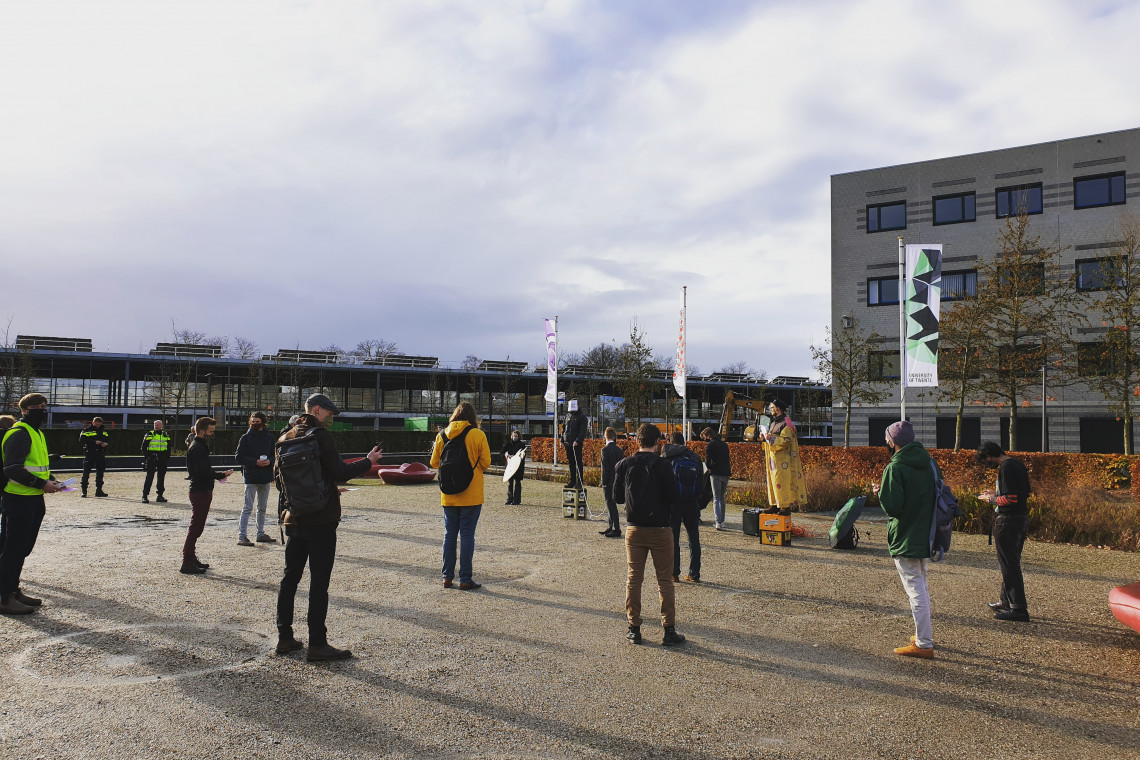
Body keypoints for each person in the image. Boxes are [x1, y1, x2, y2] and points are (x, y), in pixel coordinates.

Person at [276, 394, 381, 661]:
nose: (331, 417)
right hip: (321, 520)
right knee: (318, 583)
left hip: (295, 517)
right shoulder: (319, 436)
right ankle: (317, 644)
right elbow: (340, 471)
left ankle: (285, 637)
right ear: (317, 410)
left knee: (290, 578)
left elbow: (279, 482)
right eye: (329, 413)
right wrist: (368, 460)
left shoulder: (285, 438)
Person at [613, 423, 685, 646]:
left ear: (637, 441)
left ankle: (634, 627)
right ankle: (669, 629)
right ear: (658, 443)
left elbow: (617, 498)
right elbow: (674, 496)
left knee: (634, 579)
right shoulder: (663, 466)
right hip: (661, 529)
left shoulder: (624, 464)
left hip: (634, 528)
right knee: (665, 581)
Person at [872, 420, 938, 659]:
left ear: (892, 441)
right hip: (927, 533)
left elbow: (893, 507)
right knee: (922, 584)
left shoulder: (895, 468)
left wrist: (881, 493)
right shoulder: (930, 463)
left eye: (887, 438)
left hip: (906, 534)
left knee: (915, 590)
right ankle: (923, 634)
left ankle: (923, 643)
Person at [1, 394, 63, 614]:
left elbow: (36, 465)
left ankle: (12, 590)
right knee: (13, 548)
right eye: (36, 407)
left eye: (44, 406)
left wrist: (50, 480)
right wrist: (41, 484)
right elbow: (11, 468)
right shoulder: (19, 433)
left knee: (22, 548)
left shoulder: (35, 432)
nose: (42, 410)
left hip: (32, 497)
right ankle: (4, 597)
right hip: (19, 498)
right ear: (24, 410)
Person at [430, 401, 491, 590]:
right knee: (467, 536)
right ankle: (465, 578)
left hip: (448, 494)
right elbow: (486, 463)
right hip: (471, 494)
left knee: (449, 535)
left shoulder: (442, 435)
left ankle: (447, 577)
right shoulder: (478, 435)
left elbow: (434, 463)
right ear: (473, 417)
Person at [977, 441, 1032, 622]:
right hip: (1021, 519)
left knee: (1009, 565)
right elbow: (1024, 494)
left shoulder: (1006, 468)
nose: (987, 465)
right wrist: (996, 491)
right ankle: (1006, 600)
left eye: (985, 461)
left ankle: (1018, 608)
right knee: (1010, 562)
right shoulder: (1017, 464)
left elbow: (1011, 498)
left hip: (1008, 521)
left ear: (989, 456)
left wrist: (991, 499)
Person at [181, 417, 233, 575]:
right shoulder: (198, 447)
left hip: (201, 489)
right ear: (202, 431)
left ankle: (191, 557)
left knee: (197, 526)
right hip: (200, 490)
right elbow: (202, 472)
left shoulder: (198, 446)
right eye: (211, 432)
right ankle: (187, 561)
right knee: (196, 526)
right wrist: (221, 474)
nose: (212, 435)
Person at [663, 432, 703, 583]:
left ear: (671, 443)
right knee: (694, 539)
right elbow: (702, 482)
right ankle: (694, 574)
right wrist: (698, 499)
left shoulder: (667, 457)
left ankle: (674, 573)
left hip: (674, 503)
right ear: (684, 442)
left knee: (674, 539)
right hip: (692, 502)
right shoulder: (695, 457)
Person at [235, 412, 276, 546]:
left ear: (263, 422)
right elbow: (239, 457)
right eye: (253, 421)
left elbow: (275, 455)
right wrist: (255, 462)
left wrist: (269, 461)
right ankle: (242, 536)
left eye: (257, 421)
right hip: (251, 475)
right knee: (248, 507)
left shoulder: (269, 437)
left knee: (262, 507)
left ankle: (260, 533)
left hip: (265, 475)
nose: (255, 424)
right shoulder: (245, 438)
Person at [761, 398, 806, 514]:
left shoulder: (786, 422)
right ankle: (775, 504)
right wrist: (764, 437)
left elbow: (786, 441)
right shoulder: (774, 422)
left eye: (772, 408)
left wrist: (771, 438)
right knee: (773, 481)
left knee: (783, 481)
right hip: (773, 459)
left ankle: (785, 506)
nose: (770, 410)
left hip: (783, 460)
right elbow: (771, 438)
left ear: (778, 409)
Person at [701, 427, 731, 530]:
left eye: (704, 437)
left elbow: (708, 460)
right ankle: (722, 521)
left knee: (716, 497)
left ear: (708, 436)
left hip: (716, 473)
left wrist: (708, 469)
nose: (705, 439)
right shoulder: (724, 444)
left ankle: (718, 522)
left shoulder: (710, 445)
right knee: (722, 497)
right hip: (726, 473)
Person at [598, 427, 624, 538]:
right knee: (611, 505)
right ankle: (611, 525)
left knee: (610, 505)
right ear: (614, 437)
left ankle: (616, 528)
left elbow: (606, 468)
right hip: (617, 480)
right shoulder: (619, 450)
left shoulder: (604, 450)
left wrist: (603, 481)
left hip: (608, 482)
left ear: (605, 437)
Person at [140, 419, 171, 503]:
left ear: (162, 426)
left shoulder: (165, 434)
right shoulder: (150, 434)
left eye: (158, 425)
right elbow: (143, 447)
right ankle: (145, 496)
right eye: (155, 425)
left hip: (162, 458)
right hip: (152, 458)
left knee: (161, 478)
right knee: (149, 477)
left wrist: (167, 457)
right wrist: (148, 457)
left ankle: (160, 496)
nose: (156, 426)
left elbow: (169, 446)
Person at [79, 416, 110, 497]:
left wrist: (105, 443)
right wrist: (94, 442)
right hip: (90, 453)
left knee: (100, 472)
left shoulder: (104, 431)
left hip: (100, 453)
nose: (98, 426)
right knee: (86, 472)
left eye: (99, 424)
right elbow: (81, 439)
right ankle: (84, 491)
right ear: (93, 423)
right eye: (96, 424)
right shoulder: (86, 430)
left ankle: (99, 491)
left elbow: (107, 439)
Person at [561, 399, 587, 488]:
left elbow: (582, 431)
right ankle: (572, 481)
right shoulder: (567, 416)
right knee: (571, 463)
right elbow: (563, 429)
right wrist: (562, 440)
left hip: (576, 444)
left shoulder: (582, 417)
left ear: (578, 405)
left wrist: (578, 441)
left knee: (578, 463)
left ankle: (580, 482)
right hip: (568, 444)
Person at [501, 429, 525, 506]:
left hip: (518, 467)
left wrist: (516, 457)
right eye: (514, 436)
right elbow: (502, 452)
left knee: (517, 483)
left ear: (519, 437)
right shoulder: (508, 444)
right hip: (510, 467)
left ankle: (517, 500)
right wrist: (507, 455)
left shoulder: (521, 444)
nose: (515, 437)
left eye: (516, 436)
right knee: (510, 483)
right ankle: (509, 499)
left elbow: (522, 454)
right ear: (511, 436)